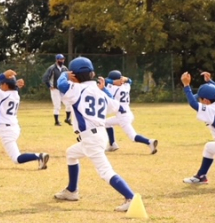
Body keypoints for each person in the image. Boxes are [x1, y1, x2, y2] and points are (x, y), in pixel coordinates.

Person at [53, 57, 137, 212]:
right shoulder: (100, 91)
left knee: (105, 172)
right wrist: (104, 89)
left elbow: (60, 84)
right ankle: (72, 191)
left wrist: (65, 74)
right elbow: (115, 106)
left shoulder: (76, 88)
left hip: (91, 138)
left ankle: (131, 197)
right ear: (92, 73)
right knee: (71, 153)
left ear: (74, 74)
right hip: (99, 134)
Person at [0, 69, 50, 170]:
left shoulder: (2, 95)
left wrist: (3, 75)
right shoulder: (15, 95)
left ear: (6, 85)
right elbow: (12, 89)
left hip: (6, 131)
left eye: (2, 84)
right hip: (12, 127)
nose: (0, 86)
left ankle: (39, 156)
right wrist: (15, 84)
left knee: (16, 159)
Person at [104, 70, 158, 154]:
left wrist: (113, 81)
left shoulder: (113, 88)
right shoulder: (126, 86)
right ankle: (112, 144)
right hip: (127, 114)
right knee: (106, 123)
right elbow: (129, 81)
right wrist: (126, 79)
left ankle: (149, 142)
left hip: (123, 117)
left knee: (133, 136)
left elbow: (104, 81)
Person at [42, 54, 72, 126]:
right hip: (55, 89)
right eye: (60, 59)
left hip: (62, 89)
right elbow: (45, 78)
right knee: (57, 105)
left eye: (63, 59)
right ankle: (56, 121)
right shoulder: (52, 68)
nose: (62, 61)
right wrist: (49, 86)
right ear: (57, 60)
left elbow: (69, 78)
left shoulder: (64, 68)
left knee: (68, 103)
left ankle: (68, 119)